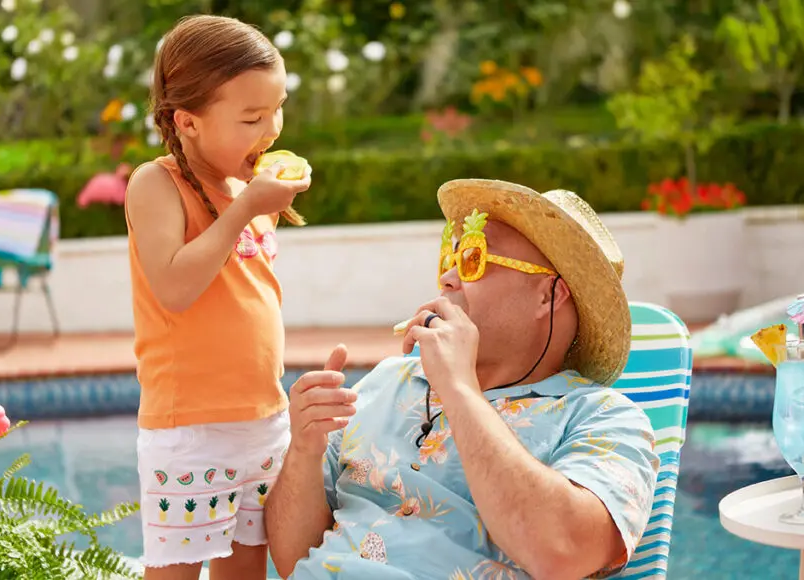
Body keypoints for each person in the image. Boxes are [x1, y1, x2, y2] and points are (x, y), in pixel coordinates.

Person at [266, 179, 659, 579]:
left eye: (474, 259)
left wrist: (459, 389)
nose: (448, 279)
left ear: (548, 296)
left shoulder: (604, 420)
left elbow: (563, 552)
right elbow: (290, 559)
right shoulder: (386, 382)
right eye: (449, 259)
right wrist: (304, 450)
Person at [124, 14, 311, 580]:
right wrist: (244, 210)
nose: (272, 129)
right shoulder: (157, 185)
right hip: (190, 429)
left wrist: (249, 204)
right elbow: (176, 289)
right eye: (252, 117)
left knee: (247, 571)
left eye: (277, 109)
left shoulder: (245, 190)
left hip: (262, 419)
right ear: (188, 122)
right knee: (176, 571)